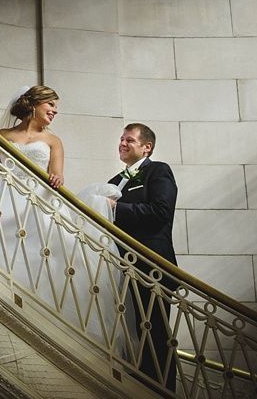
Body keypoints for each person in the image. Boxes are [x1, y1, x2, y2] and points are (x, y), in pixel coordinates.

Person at [0, 85, 64, 300]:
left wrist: (56, 178)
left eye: (55, 106)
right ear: (35, 104)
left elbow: (57, 175)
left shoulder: (53, 141)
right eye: (51, 104)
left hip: (37, 202)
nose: (55, 110)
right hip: (6, 199)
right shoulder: (3, 135)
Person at [106, 123, 179, 393]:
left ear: (146, 147)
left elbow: (160, 212)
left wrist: (116, 208)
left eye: (130, 140)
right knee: (131, 335)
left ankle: (161, 392)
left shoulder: (158, 171)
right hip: (120, 267)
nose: (122, 143)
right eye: (121, 139)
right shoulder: (114, 182)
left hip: (151, 266)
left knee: (155, 333)